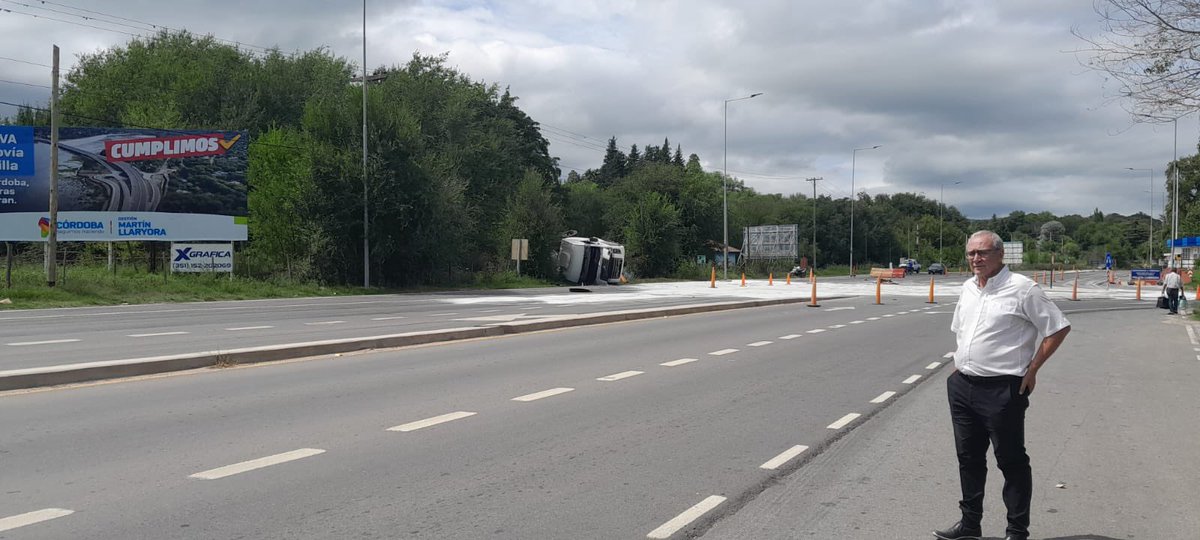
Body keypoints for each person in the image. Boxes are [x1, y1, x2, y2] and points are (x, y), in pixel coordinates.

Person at [934, 231, 1071, 540]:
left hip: (1003, 390)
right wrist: (959, 370)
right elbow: (962, 331)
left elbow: (1057, 328)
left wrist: (1032, 369)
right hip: (963, 386)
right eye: (971, 253)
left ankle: (1017, 531)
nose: (975, 259)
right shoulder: (969, 287)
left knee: (1011, 461)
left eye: (982, 253)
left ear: (1000, 255)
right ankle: (970, 525)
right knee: (968, 459)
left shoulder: (1023, 289)